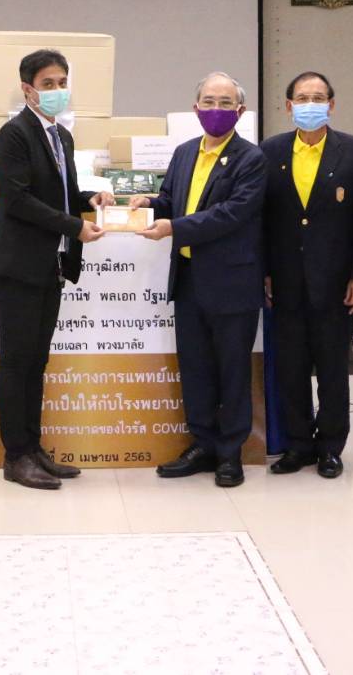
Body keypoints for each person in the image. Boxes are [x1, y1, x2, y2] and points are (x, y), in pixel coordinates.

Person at [0, 49, 114, 490]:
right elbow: (18, 200)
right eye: (48, 84)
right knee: (16, 361)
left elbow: (60, 192)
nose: (57, 91)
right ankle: (15, 455)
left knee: (36, 361)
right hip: (18, 266)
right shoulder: (14, 134)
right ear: (27, 89)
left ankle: (34, 448)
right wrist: (74, 226)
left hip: (49, 265)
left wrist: (89, 199)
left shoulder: (62, 136)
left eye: (62, 83)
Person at [131, 72, 266, 488]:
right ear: (195, 108)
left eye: (225, 103)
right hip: (189, 279)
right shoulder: (185, 152)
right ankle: (203, 444)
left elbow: (232, 214)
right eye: (209, 102)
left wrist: (173, 227)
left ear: (240, 111)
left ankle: (230, 453)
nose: (216, 110)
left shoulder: (251, 159)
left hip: (232, 283)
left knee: (232, 371)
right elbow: (172, 200)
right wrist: (149, 202)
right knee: (195, 368)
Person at [260, 70, 353, 478]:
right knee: (290, 368)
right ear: (288, 106)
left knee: (332, 370)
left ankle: (330, 446)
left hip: (336, 282)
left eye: (319, 98)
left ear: (332, 104)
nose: (311, 104)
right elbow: (264, 219)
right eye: (303, 98)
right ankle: (298, 445)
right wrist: (266, 271)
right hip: (286, 281)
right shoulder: (270, 150)